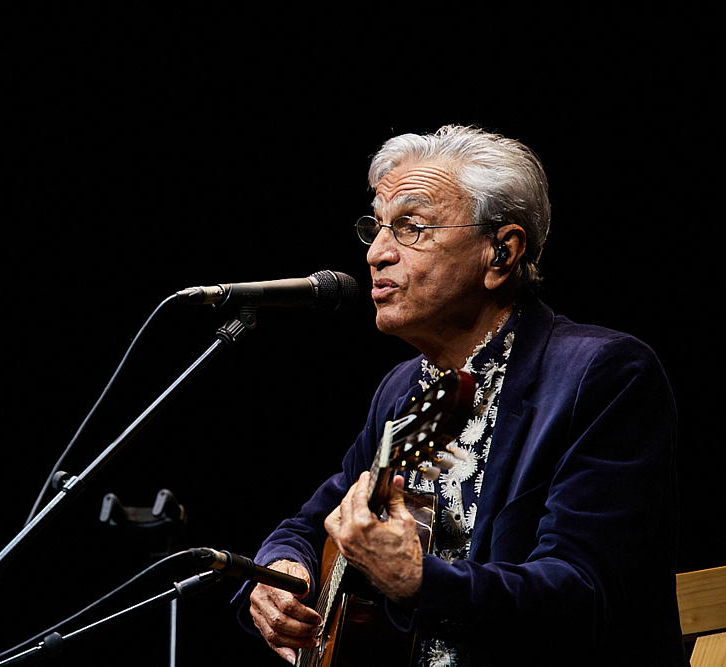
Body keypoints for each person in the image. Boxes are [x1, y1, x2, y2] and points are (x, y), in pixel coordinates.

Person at [233, 125, 685, 666]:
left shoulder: (604, 374)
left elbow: (584, 594)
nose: (376, 254)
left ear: (501, 253)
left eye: (411, 227)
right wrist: (281, 571)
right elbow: (310, 523)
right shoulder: (403, 390)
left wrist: (419, 580)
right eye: (376, 227)